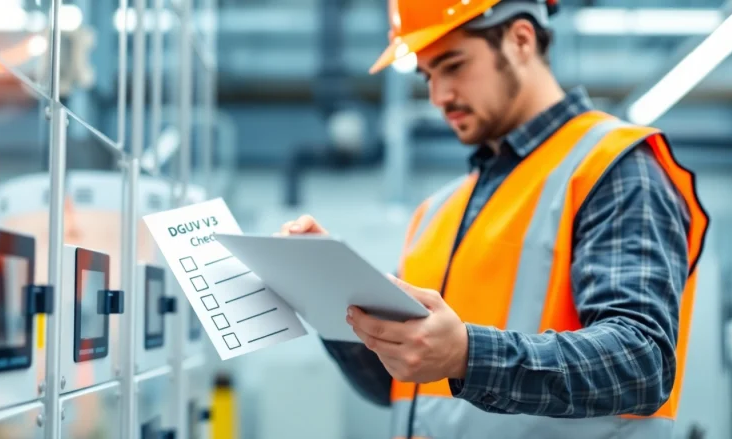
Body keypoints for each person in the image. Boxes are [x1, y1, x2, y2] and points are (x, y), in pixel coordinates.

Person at [279, 0, 709, 438]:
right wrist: (330, 299)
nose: (438, 96)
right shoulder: (438, 211)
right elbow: (401, 383)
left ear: (520, 39)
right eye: (428, 76)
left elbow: (641, 363)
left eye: (453, 65)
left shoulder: (613, 168)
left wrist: (467, 355)